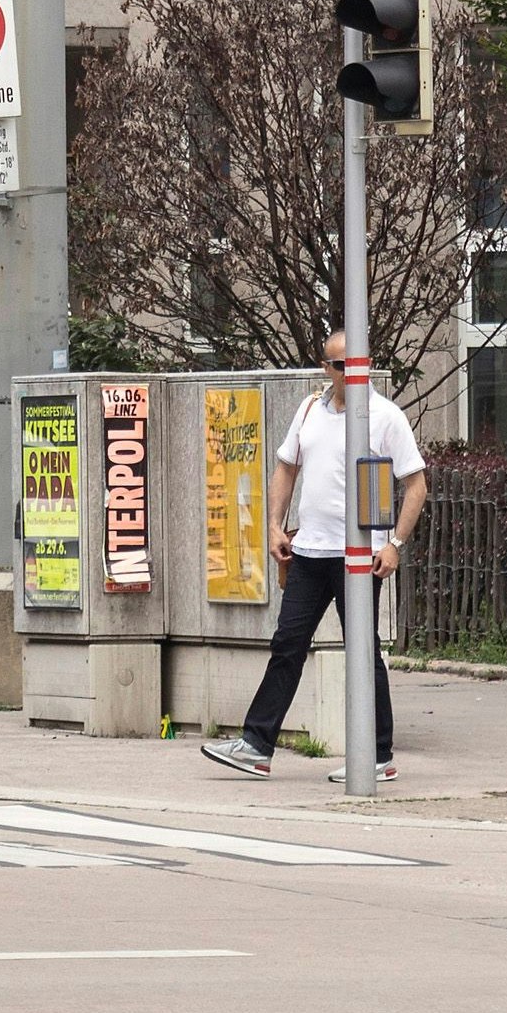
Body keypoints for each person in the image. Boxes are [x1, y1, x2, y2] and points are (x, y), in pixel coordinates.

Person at [204, 332, 426, 782]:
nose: (353, 373)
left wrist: (394, 545)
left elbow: (416, 485)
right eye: (343, 365)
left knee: (363, 652)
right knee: (287, 645)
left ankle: (378, 755)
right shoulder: (309, 410)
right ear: (327, 368)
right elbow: (287, 468)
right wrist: (274, 526)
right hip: (309, 552)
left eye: (359, 363)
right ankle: (256, 745)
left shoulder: (384, 416)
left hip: (359, 557)